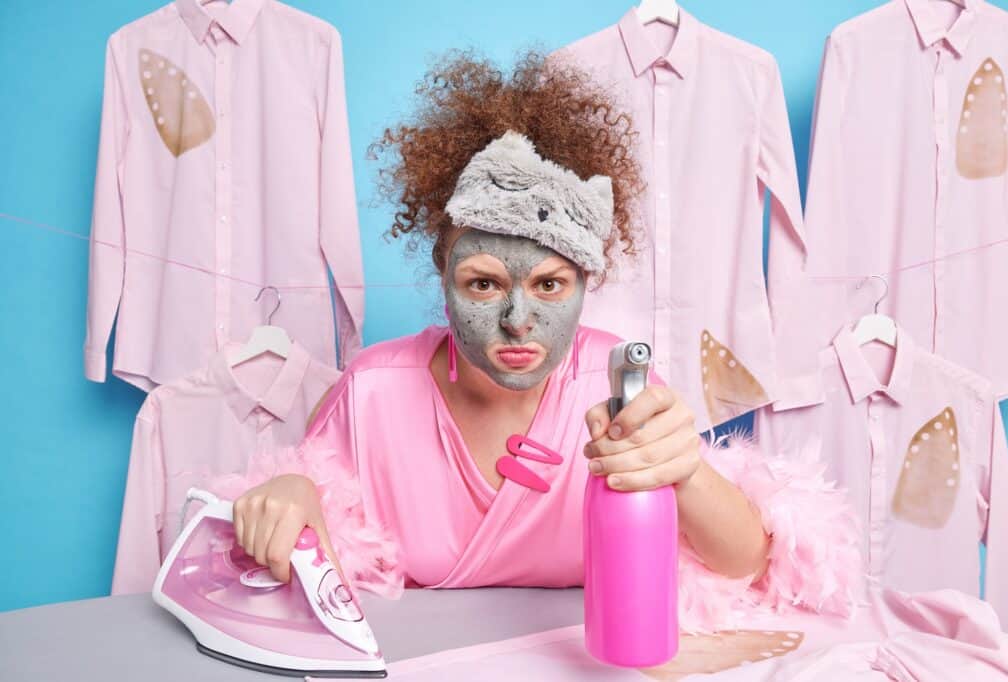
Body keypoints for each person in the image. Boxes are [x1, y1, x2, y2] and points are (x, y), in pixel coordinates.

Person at [214, 51, 858, 630]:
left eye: (550, 285)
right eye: (484, 284)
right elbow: (302, 552)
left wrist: (683, 467)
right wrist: (294, 493)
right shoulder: (373, 391)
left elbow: (745, 563)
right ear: (443, 276)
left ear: (585, 281)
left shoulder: (614, 389)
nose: (518, 321)